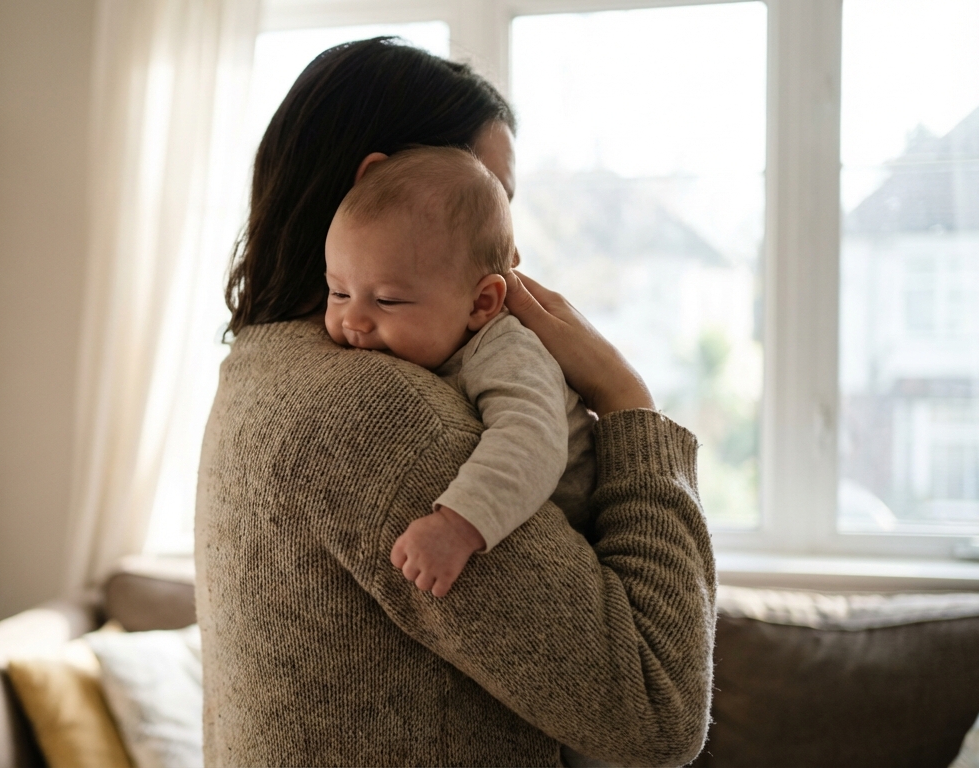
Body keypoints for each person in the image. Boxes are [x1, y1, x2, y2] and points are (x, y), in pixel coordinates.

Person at [197, 37, 716, 767]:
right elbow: (658, 709)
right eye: (494, 198)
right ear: (378, 179)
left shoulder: (259, 367)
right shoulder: (375, 413)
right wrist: (629, 404)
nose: (512, 260)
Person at [323, 146, 595, 597]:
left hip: (578, 533)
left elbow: (533, 440)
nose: (353, 320)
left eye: (387, 300)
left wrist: (458, 524)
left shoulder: (507, 352)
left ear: (481, 303)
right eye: (337, 292)